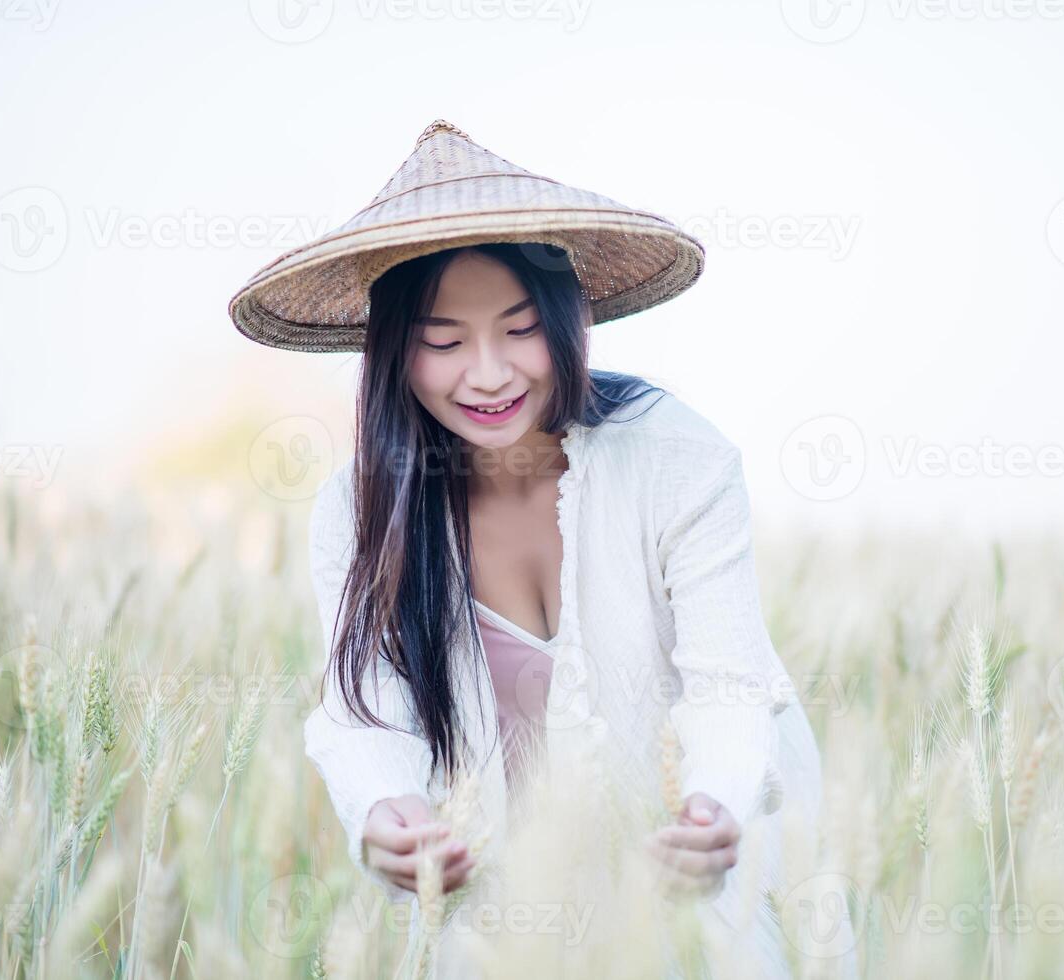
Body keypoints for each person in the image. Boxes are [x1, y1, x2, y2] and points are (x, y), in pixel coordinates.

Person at [229, 120, 852, 979]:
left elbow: (730, 686)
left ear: (570, 321)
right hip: (510, 911)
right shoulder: (357, 507)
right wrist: (386, 813)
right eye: (443, 343)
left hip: (703, 896)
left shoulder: (678, 460)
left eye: (518, 331)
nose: (486, 375)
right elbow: (363, 709)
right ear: (391, 356)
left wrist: (715, 808)